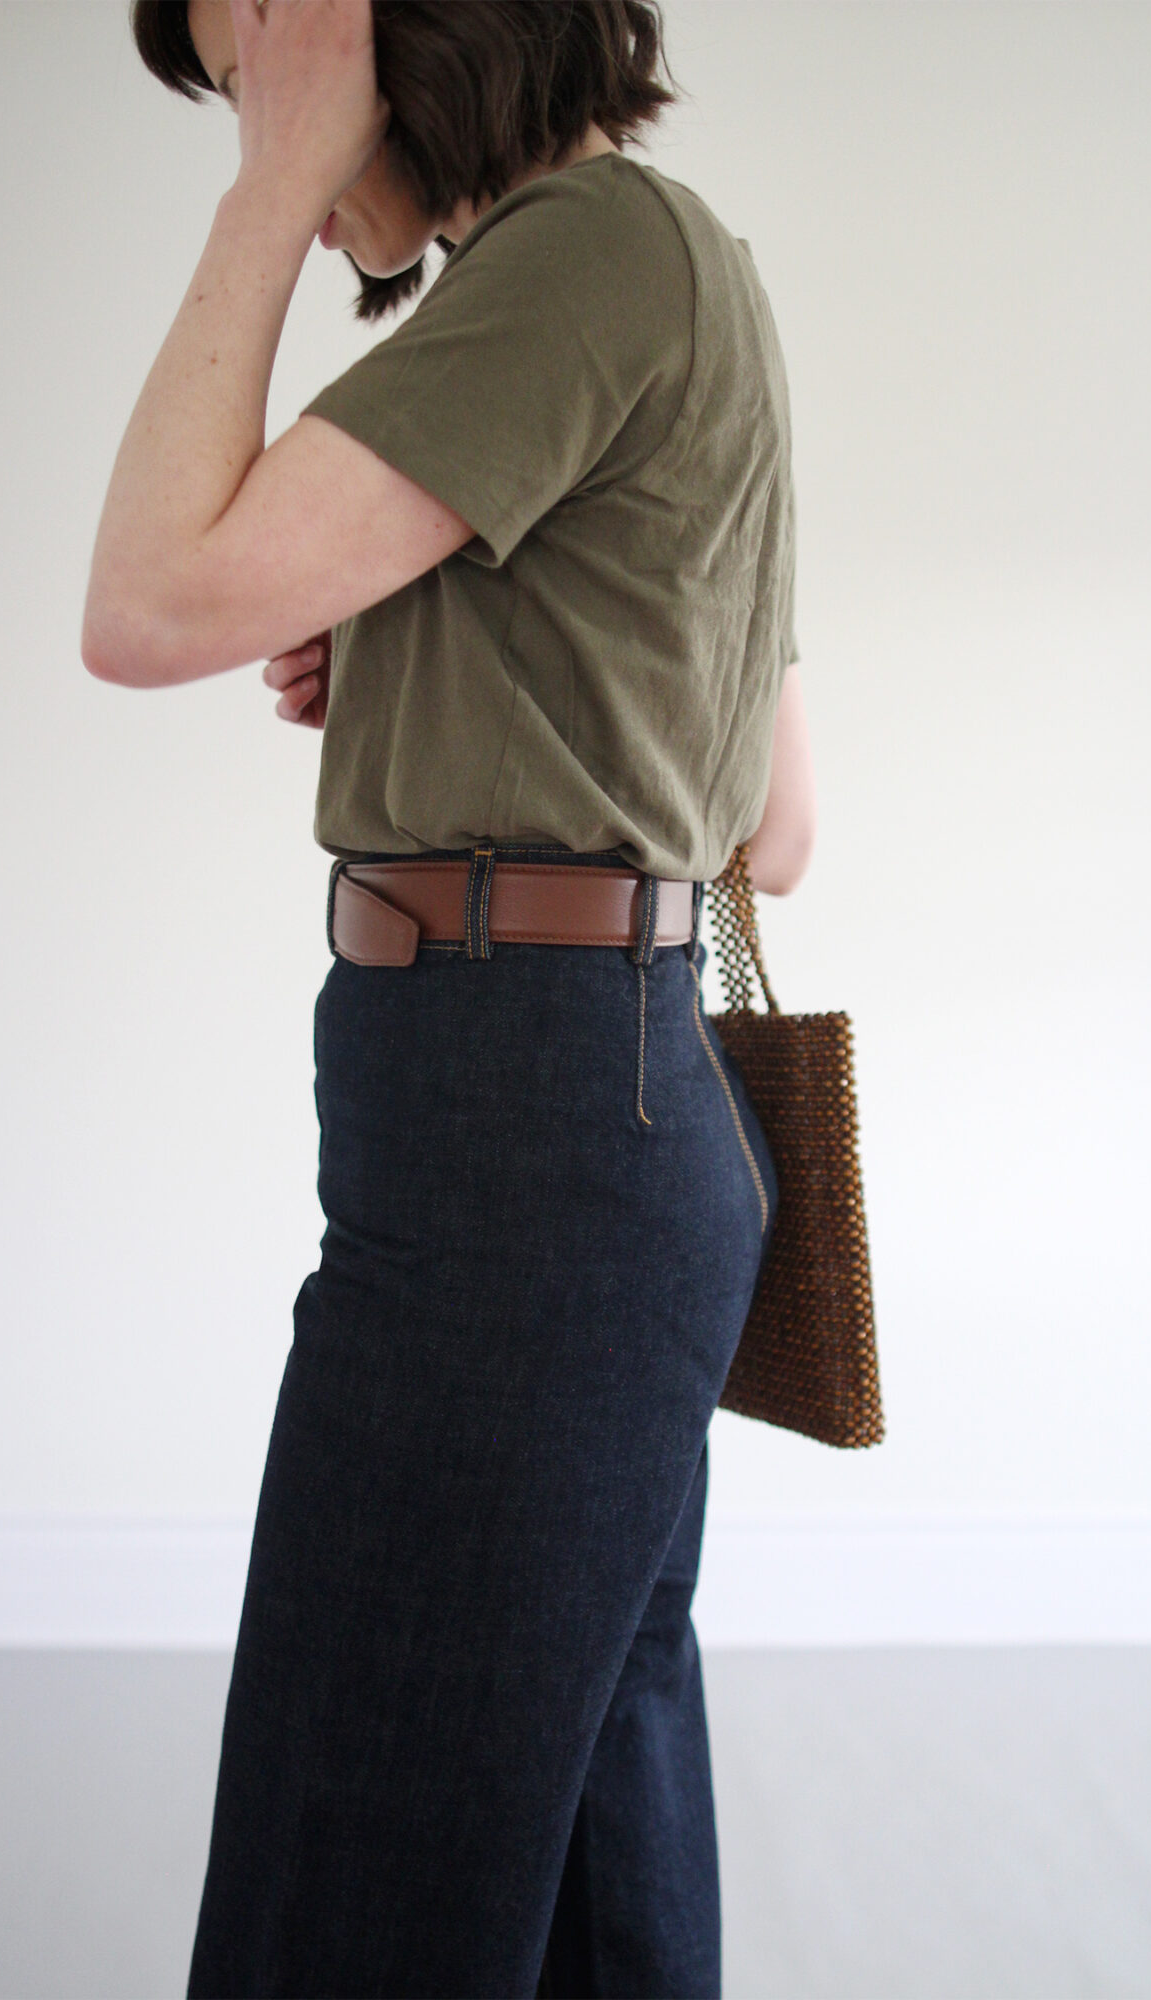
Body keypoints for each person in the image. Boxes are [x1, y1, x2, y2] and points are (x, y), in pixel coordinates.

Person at [87, 0, 817, 1992]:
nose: (282, 149)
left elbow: (142, 601)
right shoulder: (686, 265)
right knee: (585, 1841)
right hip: (607, 1129)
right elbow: (775, 819)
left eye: (260, 74)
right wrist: (446, 645)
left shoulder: (579, 257)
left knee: (365, 1857)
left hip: (520, 1136)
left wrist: (267, 184)